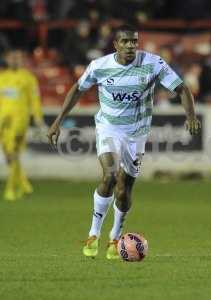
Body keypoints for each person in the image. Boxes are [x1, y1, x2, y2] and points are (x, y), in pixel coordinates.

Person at [47, 25, 200, 259]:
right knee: (109, 175)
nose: (131, 46)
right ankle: (93, 233)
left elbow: (181, 88)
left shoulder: (153, 63)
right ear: (115, 44)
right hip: (109, 127)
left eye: (134, 42)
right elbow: (77, 90)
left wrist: (190, 116)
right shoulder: (100, 66)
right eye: (126, 42)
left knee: (124, 189)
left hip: (137, 134)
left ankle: (114, 237)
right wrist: (58, 121)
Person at [0, 49, 44, 201]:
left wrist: (38, 117)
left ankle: (11, 190)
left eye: (17, 58)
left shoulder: (28, 78)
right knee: (9, 157)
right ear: (7, 59)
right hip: (2, 122)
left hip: (20, 121)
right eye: (12, 57)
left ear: (22, 60)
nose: (14, 60)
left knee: (13, 154)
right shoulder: (2, 77)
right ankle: (25, 186)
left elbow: (35, 99)